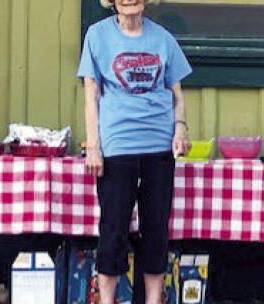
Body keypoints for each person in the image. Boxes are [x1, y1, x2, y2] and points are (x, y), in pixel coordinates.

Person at [77, 0, 192, 303]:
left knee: (155, 231)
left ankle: (153, 300)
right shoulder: (97, 35)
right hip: (117, 147)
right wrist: (94, 147)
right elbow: (92, 97)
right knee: (113, 230)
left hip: (159, 147)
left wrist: (180, 129)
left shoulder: (164, 38)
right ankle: (107, 299)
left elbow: (177, 95)